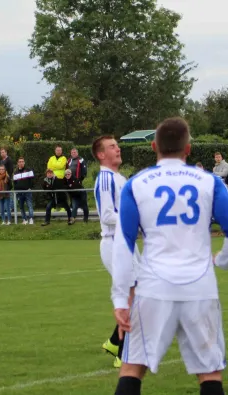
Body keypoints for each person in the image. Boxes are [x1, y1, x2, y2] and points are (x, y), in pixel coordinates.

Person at [110, 117, 228, 395]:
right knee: (209, 371)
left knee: (133, 366)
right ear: (188, 148)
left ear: (153, 146)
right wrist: (224, 260)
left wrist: (120, 298)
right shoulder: (209, 181)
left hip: (153, 287)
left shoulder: (136, 184)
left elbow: (124, 242)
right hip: (200, 286)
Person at [93, 135, 142, 368]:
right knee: (134, 297)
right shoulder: (105, 179)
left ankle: (115, 342)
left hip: (126, 243)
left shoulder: (118, 177)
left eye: (117, 145)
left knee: (139, 295)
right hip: (114, 243)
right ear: (101, 155)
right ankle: (124, 354)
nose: (118, 148)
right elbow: (106, 216)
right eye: (112, 146)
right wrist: (135, 217)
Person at [13, 158, 35, 225]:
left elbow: (32, 180)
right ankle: (24, 219)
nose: (21, 163)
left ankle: (31, 219)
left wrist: (30, 188)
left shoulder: (29, 170)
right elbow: (14, 183)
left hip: (27, 191)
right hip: (19, 193)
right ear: (18, 163)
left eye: (22, 161)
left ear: (24, 162)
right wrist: (16, 190)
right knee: (21, 207)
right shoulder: (15, 172)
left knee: (29, 205)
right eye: (20, 162)